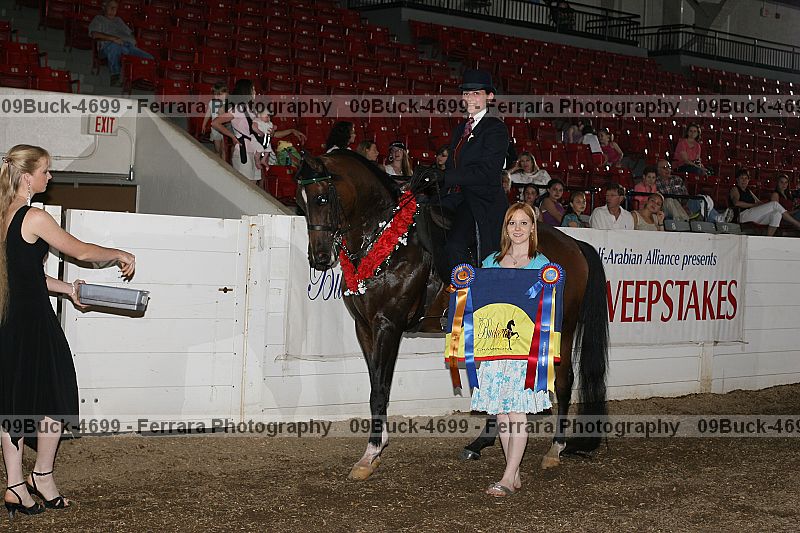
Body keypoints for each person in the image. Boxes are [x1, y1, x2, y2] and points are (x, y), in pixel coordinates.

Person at [0, 145, 135, 517]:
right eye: (45, 170)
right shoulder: (33, 216)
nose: (50, 176)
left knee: (13, 400)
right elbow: (81, 252)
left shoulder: (3, 213)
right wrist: (119, 253)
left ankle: (16, 486)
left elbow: (27, 276)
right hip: (33, 323)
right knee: (55, 396)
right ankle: (41, 476)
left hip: (9, 321)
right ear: (27, 177)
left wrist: (69, 290)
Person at [470, 202, 552, 497]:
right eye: (512, 223)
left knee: (517, 412)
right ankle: (512, 472)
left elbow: (547, 310)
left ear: (532, 229)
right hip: (496, 348)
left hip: (524, 350)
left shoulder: (542, 266)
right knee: (503, 413)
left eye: (523, 223)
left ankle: (507, 477)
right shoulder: (491, 262)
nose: (517, 228)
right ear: (506, 228)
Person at [443, 69, 510, 270]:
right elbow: (453, 164)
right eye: (466, 93)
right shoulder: (460, 129)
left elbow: (487, 172)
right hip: (457, 196)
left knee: (455, 245)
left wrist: (446, 176)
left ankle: (469, 287)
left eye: (476, 93)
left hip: (480, 199)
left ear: (489, 96)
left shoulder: (495, 128)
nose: (470, 97)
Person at [211, 79, 268, 183]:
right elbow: (215, 123)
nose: (255, 92)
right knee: (245, 185)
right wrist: (232, 136)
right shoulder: (238, 109)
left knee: (253, 185)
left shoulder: (252, 110)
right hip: (243, 151)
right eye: (253, 89)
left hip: (254, 151)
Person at [88, 0, 154, 86]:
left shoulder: (118, 20)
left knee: (149, 58)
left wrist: (132, 40)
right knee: (114, 46)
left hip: (128, 46)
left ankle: (141, 80)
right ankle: (115, 77)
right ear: (104, 7)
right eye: (111, 7)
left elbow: (130, 33)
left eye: (115, 8)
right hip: (108, 46)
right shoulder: (99, 19)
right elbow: (94, 34)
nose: (113, 10)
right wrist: (113, 39)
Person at [729, 169, 800, 236]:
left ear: (748, 180)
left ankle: (768, 239)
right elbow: (736, 203)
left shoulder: (748, 191)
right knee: (775, 204)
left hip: (753, 215)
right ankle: (797, 223)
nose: (744, 180)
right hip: (742, 215)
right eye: (742, 178)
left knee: (777, 214)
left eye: (746, 178)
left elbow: (759, 203)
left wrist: (767, 205)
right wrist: (753, 205)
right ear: (737, 179)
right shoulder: (735, 189)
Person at [202, 82, 230, 159]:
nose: (217, 97)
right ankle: (218, 159)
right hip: (215, 129)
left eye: (220, 94)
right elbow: (208, 113)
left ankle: (224, 164)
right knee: (218, 149)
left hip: (225, 129)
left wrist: (222, 111)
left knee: (224, 149)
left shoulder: (228, 103)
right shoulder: (212, 103)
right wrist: (204, 124)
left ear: (226, 94)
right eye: (215, 94)